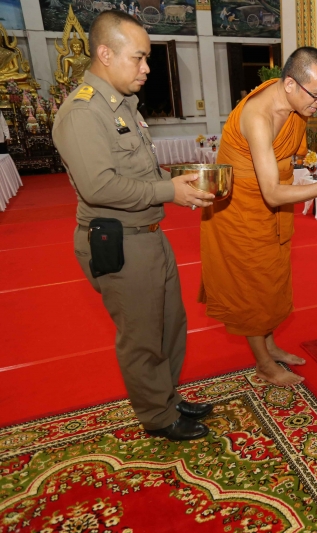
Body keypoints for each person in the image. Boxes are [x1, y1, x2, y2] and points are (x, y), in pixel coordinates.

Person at [52, 11, 216, 441]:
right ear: (105, 54)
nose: (146, 68)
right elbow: (99, 186)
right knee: (141, 335)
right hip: (118, 241)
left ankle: (165, 396)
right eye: (139, 58)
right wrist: (169, 192)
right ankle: (157, 417)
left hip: (147, 235)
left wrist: (175, 182)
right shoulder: (84, 113)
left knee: (169, 325)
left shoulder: (123, 106)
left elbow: (138, 172)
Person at [200, 47, 317, 387]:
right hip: (241, 211)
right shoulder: (258, 117)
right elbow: (270, 192)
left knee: (272, 278)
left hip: (272, 210)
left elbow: (289, 160)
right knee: (251, 287)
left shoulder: (295, 107)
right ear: (290, 83)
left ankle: (269, 346)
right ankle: (263, 365)